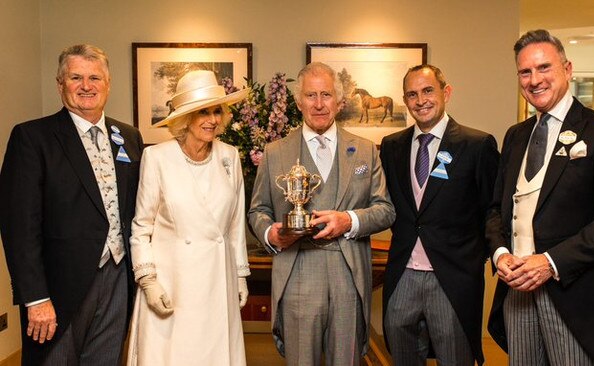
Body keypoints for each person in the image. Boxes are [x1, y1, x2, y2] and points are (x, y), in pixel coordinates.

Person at [485, 29, 594, 366]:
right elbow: (497, 208)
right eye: (525, 72)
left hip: (573, 293)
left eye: (544, 68)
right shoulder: (516, 135)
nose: (534, 79)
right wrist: (500, 254)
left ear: (567, 69)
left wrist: (550, 262)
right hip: (517, 291)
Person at [0, 44, 144, 365]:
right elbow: (19, 227)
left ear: (107, 84)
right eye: (75, 77)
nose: (86, 86)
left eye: (95, 78)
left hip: (118, 277)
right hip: (57, 289)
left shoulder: (130, 137)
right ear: (60, 83)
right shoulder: (32, 138)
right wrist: (35, 298)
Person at [248, 62, 395, 365]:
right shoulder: (275, 152)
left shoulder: (366, 151)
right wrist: (270, 233)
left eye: (326, 95)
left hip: (349, 273)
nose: (318, 104)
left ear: (340, 102)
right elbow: (258, 210)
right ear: (298, 101)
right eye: (310, 95)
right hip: (298, 271)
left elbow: (385, 210)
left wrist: (349, 220)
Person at [125, 70, 250, 366]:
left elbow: (234, 226)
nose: (213, 120)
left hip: (218, 282)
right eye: (202, 112)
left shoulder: (229, 156)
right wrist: (148, 281)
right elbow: (142, 227)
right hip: (172, 285)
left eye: (217, 111)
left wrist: (241, 275)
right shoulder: (157, 158)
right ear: (184, 118)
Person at [380, 64, 499, 366]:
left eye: (428, 90)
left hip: (452, 278)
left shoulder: (477, 145)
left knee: (455, 358)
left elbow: (493, 210)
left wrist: (472, 258)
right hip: (402, 275)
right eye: (412, 94)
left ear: (446, 92)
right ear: (405, 100)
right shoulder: (391, 147)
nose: (421, 100)